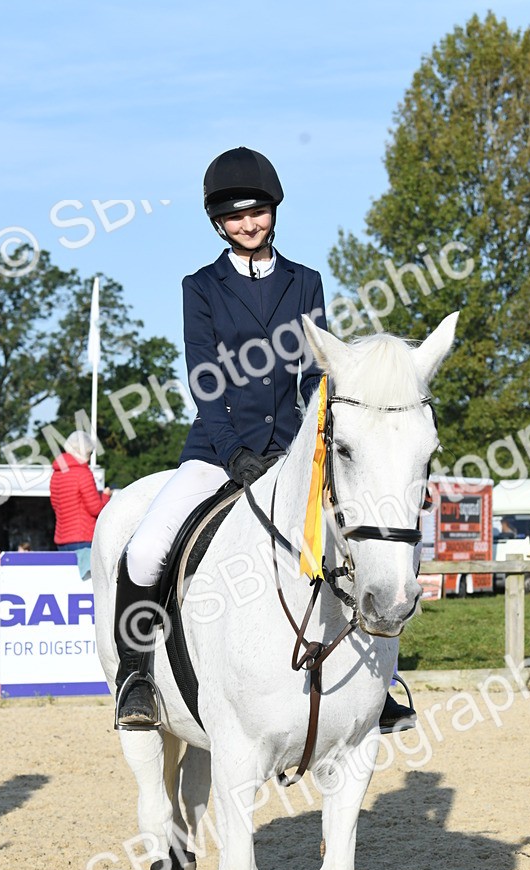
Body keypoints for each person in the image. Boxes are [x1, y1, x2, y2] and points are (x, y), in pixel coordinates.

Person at [113, 146, 416, 737]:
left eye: (257, 212)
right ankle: (137, 677)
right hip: (216, 451)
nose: (248, 224)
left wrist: (305, 439)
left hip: (291, 452)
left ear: (273, 211)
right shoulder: (200, 287)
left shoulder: (306, 282)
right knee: (146, 549)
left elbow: (314, 373)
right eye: (234, 216)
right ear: (217, 223)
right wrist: (232, 453)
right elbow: (205, 378)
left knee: (360, 542)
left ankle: (376, 690)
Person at [50, 431, 111, 552]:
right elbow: (95, 509)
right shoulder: (83, 474)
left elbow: (55, 505)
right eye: (90, 453)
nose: (89, 457)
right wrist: (105, 496)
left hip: (61, 540)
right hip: (83, 538)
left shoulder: (56, 474)